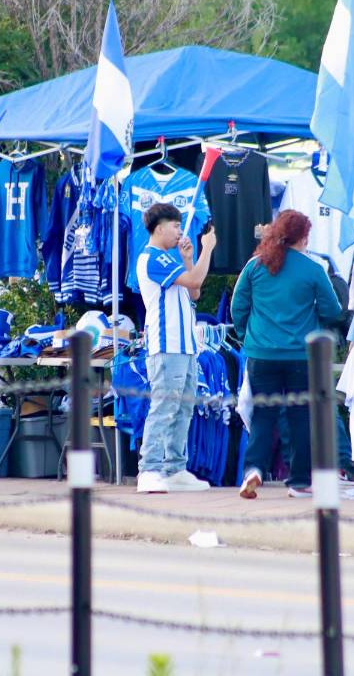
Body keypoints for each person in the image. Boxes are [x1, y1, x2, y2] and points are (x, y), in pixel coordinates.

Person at [234, 210, 342, 499]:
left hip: (261, 354)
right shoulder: (314, 269)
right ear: (303, 238)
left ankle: (253, 469)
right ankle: (299, 481)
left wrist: (247, 336)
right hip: (301, 356)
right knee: (300, 418)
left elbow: (238, 307)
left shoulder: (255, 266)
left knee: (263, 416)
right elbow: (333, 310)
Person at [135, 202, 217, 494]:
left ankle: (174, 468)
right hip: (167, 344)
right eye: (176, 227)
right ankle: (150, 469)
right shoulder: (153, 258)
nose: (180, 232)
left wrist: (189, 257)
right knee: (164, 407)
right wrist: (208, 249)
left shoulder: (168, 259)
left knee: (183, 408)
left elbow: (194, 291)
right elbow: (195, 280)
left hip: (184, 345)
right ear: (159, 228)